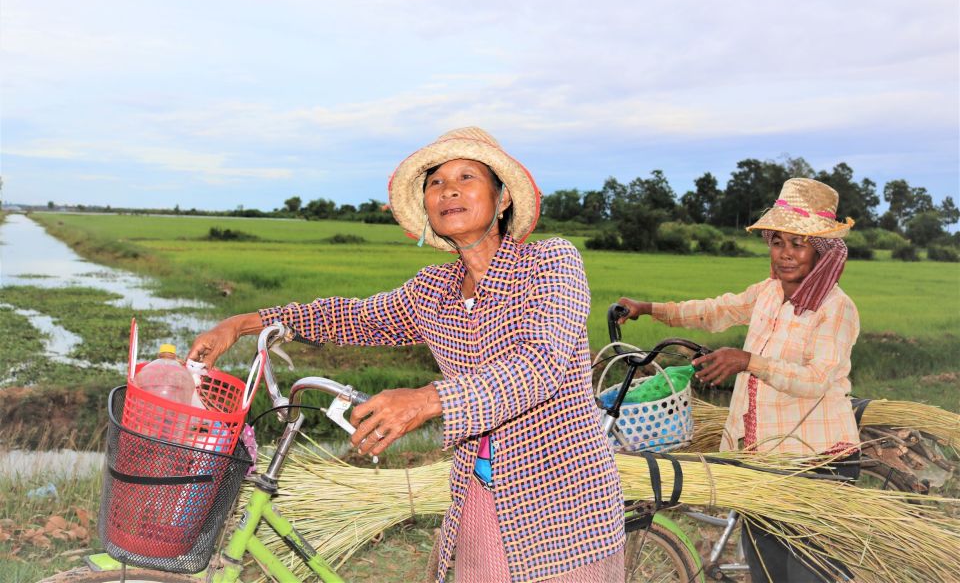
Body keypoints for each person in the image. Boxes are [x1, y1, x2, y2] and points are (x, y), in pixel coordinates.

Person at [188, 127, 625, 583]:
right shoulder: (433, 289)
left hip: (562, 502)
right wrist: (242, 323)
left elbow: (539, 364)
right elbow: (351, 317)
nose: (448, 189)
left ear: (502, 199)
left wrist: (426, 400)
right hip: (479, 492)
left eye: (467, 177)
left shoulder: (551, 262)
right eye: (435, 182)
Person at [618, 178, 860, 582]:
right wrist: (648, 308)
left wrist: (748, 360)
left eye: (797, 244)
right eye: (777, 241)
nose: (785, 254)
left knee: (808, 573)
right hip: (763, 457)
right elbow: (716, 310)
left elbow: (817, 379)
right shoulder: (768, 293)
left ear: (821, 250)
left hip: (813, 461)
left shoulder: (836, 309)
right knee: (765, 569)